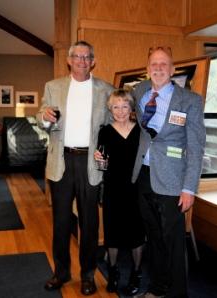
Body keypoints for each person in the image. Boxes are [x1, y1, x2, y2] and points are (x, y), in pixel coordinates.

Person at [36, 40, 113, 296]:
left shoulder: (105, 89)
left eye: (86, 57)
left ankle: (88, 275)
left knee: (89, 223)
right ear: (69, 60)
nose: (81, 61)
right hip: (61, 161)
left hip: (90, 163)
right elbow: (41, 119)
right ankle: (61, 272)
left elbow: (114, 125)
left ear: (93, 61)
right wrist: (44, 118)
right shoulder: (53, 86)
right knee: (61, 221)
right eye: (77, 56)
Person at [131, 47, 206, 298]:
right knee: (153, 237)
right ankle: (157, 288)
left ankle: (177, 294)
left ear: (173, 70)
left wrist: (189, 188)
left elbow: (196, 147)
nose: (159, 68)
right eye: (154, 63)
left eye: (164, 64)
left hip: (174, 181)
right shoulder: (139, 92)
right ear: (147, 68)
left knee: (173, 242)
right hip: (143, 175)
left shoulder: (190, 100)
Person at [94, 89, 145, 295]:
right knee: (112, 234)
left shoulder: (141, 131)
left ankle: (136, 273)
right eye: (116, 106)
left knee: (136, 235)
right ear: (110, 109)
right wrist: (100, 160)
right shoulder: (105, 131)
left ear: (131, 108)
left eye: (125, 106)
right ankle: (113, 272)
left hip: (136, 189)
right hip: (113, 189)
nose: (121, 111)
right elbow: (103, 165)